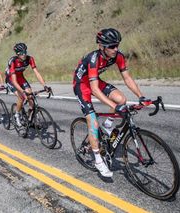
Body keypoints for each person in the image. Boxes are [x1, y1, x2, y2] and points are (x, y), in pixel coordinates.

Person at [73, 28, 150, 177]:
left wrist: (141, 96)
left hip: (94, 81)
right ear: (101, 46)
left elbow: (127, 78)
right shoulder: (93, 59)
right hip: (82, 85)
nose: (116, 49)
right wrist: (114, 107)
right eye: (112, 46)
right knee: (93, 123)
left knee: (122, 99)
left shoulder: (117, 56)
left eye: (117, 45)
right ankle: (98, 160)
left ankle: (108, 124)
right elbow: (94, 90)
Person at [5, 43, 51, 126]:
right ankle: (17, 115)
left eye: (25, 52)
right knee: (21, 97)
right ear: (17, 54)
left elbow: (36, 73)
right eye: (21, 53)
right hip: (11, 79)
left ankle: (30, 119)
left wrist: (45, 86)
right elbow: (14, 81)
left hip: (21, 78)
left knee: (30, 96)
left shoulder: (30, 59)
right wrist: (22, 91)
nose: (24, 54)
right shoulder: (13, 61)